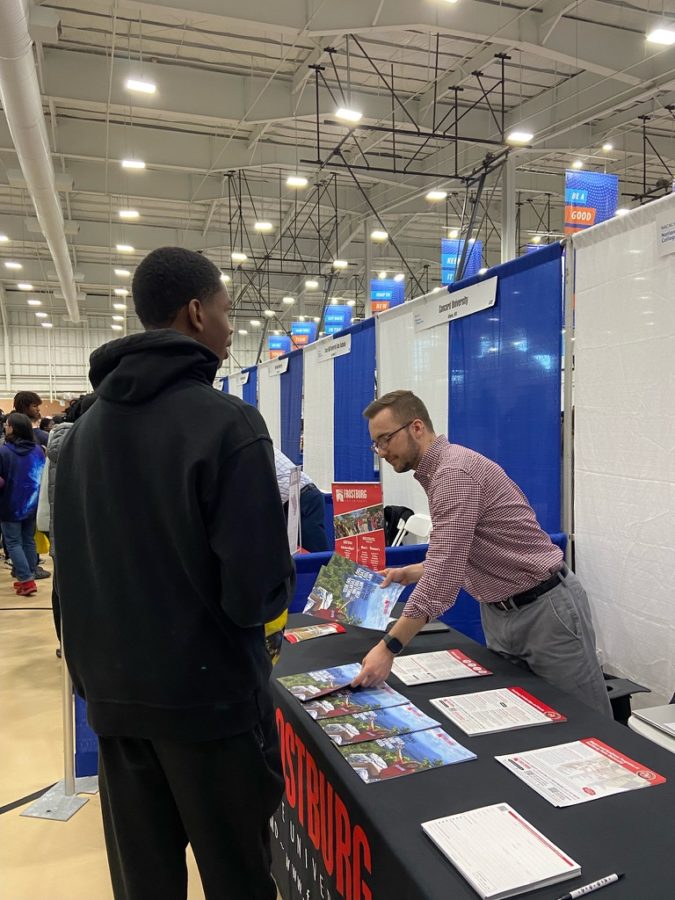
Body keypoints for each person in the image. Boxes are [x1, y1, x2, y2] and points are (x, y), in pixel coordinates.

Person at [55, 246, 295, 900]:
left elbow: (67, 580)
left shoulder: (76, 439)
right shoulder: (228, 425)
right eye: (225, 311)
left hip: (113, 707)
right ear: (195, 313)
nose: (228, 327)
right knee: (239, 879)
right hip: (210, 710)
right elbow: (256, 591)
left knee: (144, 885)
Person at [353, 390, 611, 717]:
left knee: (584, 721)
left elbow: (442, 580)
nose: (382, 452)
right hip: (501, 613)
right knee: (525, 718)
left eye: (386, 439)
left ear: (416, 427)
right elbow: (462, 548)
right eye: (376, 443)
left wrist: (388, 648)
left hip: (544, 612)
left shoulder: (453, 474)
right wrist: (412, 571)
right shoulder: (439, 472)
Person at [0, 412, 46, 596]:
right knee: (28, 540)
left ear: (13, 428)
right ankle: (30, 575)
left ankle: (26, 580)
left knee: (13, 543)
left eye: (7, 424)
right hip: (32, 503)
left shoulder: (4, 452)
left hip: (10, 504)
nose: (5, 426)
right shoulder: (37, 450)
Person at [274, 446, 329, 552]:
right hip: (297, 499)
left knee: (319, 556)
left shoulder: (251, 452)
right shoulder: (258, 446)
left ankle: (344, 569)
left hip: (303, 499)